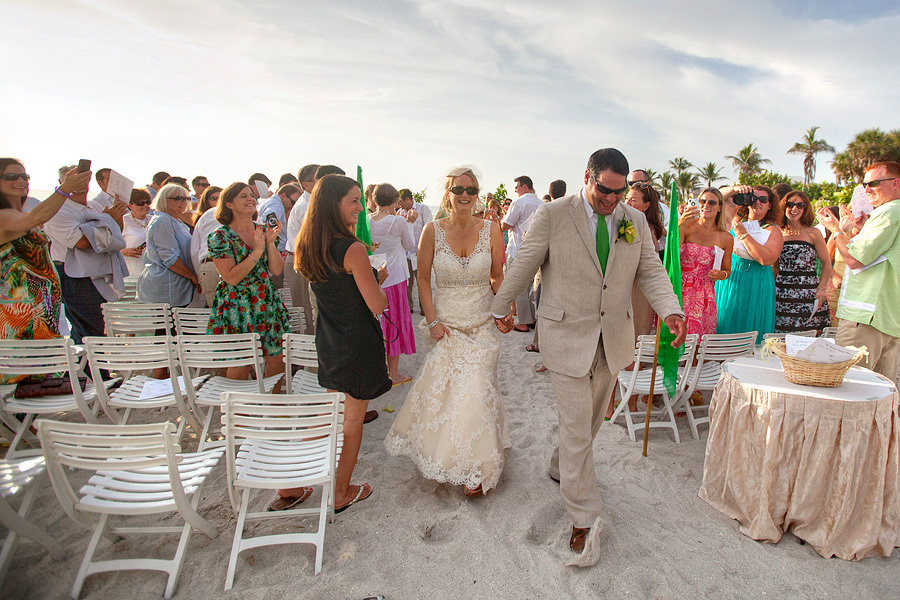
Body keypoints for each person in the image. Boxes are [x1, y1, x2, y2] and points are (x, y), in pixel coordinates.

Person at [490, 148, 685, 563]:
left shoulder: (634, 222)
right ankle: (584, 516)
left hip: (613, 338)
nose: (612, 200)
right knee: (578, 427)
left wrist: (670, 310)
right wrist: (500, 305)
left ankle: (562, 465)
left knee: (591, 422)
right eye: (604, 190)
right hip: (565, 335)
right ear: (587, 176)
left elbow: (650, 270)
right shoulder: (554, 213)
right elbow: (526, 263)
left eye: (620, 192)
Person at [385, 166, 507, 497]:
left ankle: (478, 468)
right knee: (451, 393)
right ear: (448, 194)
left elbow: (496, 275)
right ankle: (451, 457)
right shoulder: (431, 230)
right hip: (448, 325)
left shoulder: (492, 229)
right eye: (458, 189)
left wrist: (503, 306)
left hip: (482, 322)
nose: (465, 195)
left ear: (477, 194)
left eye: (471, 189)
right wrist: (433, 319)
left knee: (477, 388)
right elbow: (423, 278)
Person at [290, 174, 391, 513]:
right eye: (353, 200)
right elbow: (377, 305)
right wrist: (379, 280)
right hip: (357, 341)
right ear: (333, 204)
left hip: (329, 337)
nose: (360, 207)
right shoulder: (352, 248)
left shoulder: (309, 244)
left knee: (330, 415)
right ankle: (342, 491)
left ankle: (291, 481)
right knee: (351, 422)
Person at [819, 161, 900, 382]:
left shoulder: (888, 212)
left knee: (848, 385)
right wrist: (853, 232)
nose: (867, 189)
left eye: (874, 183)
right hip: (889, 317)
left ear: (896, 183)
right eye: (864, 184)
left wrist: (835, 231)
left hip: (866, 316)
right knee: (883, 392)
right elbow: (880, 256)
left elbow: (855, 260)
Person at [206, 182, 288, 390]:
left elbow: (277, 270)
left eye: (251, 195)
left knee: (277, 357)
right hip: (237, 305)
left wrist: (270, 243)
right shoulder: (220, 237)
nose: (251, 199)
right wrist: (258, 250)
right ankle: (240, 411)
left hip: (265, 300)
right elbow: (231, 277)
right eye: (243, 196)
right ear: (229, 204)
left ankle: (274, 407)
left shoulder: (262, 231)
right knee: (241, 362)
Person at [0, 159, 91, 346]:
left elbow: (37, 217)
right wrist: (65, 189)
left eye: (24, 176)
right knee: (22, 370)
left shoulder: (20, 214)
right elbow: (36, 217)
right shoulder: (4, 216)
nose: (20, 181)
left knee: (44, 368)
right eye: (10, 177)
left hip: (41, 310)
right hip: (17, 311)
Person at [45, 163, 130, 344]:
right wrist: (108, 221)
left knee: (93, 327)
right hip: (74, 276)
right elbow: (82, 242)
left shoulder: (93, 207)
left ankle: (81, 369)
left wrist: (115, 218)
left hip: (97, 274)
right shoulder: (58, 211)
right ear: (62, 182)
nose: (80, 185)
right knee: (91, 328)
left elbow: (115, 235)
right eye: (73, 181)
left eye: (83, 180)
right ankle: (95, 371)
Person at [715, 185, 784, 343]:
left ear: (770, 205)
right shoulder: (735, 220)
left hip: (756, 283)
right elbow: (718, 197)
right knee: (725, 321)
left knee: (751, 326)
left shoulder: (773, 230)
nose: (757, 202)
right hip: (730, 281)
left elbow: (766, 259)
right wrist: (736, 189)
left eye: (763, 200)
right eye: (754, 198)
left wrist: (743, 235)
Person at [369, 183, 417, 385]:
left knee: (378, 321)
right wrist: (410, 223)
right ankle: (394, 372)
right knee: (394, 321)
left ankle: (379, 368)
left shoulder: (366, 219)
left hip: (374, 274)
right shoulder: (397, 221)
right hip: (395, 276)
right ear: (395, 201)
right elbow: (410, 246)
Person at [678, 188, 732, 338]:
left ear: (720, 207)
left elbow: (727, 270)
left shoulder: (725, 237)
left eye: (712, 202)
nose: (706, 205)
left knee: (698, 340)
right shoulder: (687, 227)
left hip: (705, 294)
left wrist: (721, 274)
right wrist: (680, 224)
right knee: (675, 336)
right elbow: (672, 254)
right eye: (703, 201)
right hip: (680, 288)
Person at [775, 190, 832, 332]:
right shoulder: (777, 232)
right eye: (790, 204)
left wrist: (822, 288)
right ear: (784, 207)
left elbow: (827, 263)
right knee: (783, 338)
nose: (794, 209)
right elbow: (774, 267)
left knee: (811, 336)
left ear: (805, 209)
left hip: (809, 292)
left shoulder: (813, 233)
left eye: (800, 205)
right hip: (783, 293)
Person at [136, 184, 199, 307]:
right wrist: (193, 277)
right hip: (166, 288)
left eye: (186, 198)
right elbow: (170, 258)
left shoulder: (176, 221)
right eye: (177, 198)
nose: (183, 202)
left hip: (179, 287)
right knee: (168, 325)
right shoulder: (162, 221)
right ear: (164, 200)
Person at [502, 176, 542, 332]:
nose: (515, 190)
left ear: (525, 187)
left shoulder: (518, 203)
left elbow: (505, 225)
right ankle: (532, 318)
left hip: (518, 249)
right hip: (534, 251)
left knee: (517, 287)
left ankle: (523, 322)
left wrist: (501, 220)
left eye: (517, 187)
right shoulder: (542, 204)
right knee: (531, 287)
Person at [284, 164, 319, 333]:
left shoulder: (311, 202)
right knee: (307, 315)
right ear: (306, 185)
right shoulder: (306, 205)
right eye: (318, 180)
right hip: (303, 261)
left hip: (304, 260)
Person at [190, 185, 223, 307]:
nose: (218, 202)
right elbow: (194, 251)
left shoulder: (205, 217)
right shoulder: (206, 216)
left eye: (221, 198)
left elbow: (194, 251)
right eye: (214, 198)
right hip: (212, 266)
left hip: (209, 267)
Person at [121, 188, 153, 275]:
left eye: (148, 202)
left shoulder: (154, 220)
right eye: (140, 203)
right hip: (131, 271)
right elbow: (110, 247)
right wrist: (125, 252)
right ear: (130, 205)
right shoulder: (122, 221)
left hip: (152, 272)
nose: (145, 206)